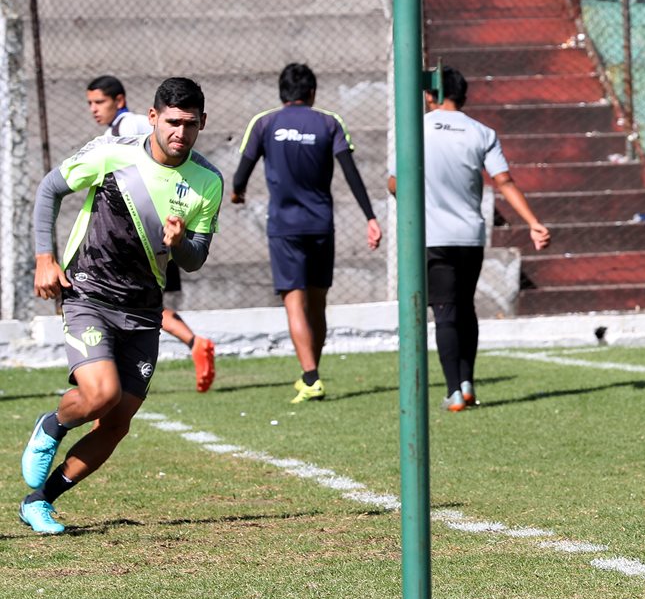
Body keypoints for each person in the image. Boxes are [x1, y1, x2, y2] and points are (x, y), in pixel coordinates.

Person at [20, 77, 223, 534]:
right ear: (153, 117)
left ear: (202, 124)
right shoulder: (114, 153)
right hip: (89, 293)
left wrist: (180, 242)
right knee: (101, 394)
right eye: (172, 122)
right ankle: (52, 425)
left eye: (190, 125)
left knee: (116, 423)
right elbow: (50, 189)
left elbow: (195, 259)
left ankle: (39, 501)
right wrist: (44, 259)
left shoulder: (207, 182)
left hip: (144, 310)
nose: (180, 133)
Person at [387, 67, 550, 411]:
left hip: (433, 236)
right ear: (463, 95)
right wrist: (534, 223)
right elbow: (503, 180)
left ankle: (454, 392)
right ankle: (467, 382)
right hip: (470, 237)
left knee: (444, 311)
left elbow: (395, 184)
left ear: (429, 94)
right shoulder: (482, 132)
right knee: (466, 307)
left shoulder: (415, 129)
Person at [231, 63, 382, 403]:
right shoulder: (329, 122)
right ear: (312, 93)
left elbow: (241, 175)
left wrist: (238, 193)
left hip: (285, 227)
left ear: (281, 93)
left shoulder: (265, 123)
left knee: (294, 303)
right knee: (318, 303)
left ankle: (310, 376)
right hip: (320, 226)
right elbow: (351, 173)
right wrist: (370, 217)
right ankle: (312, 372)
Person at [85, 75, 216, 392]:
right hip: (147, 234)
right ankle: (192, 342)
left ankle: (194, 342)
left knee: (142, 301)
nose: (93, 109)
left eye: (99, 102)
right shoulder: (112, 133)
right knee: (143, 302)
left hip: (152, 233)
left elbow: (160, 168)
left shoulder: (129, 127)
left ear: (120, 101)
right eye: (90, 103)